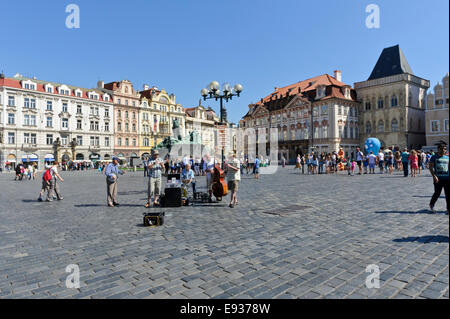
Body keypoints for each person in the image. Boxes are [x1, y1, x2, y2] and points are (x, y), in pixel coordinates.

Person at [429, 143, 449, 214]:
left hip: (447, 179)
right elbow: (430, 167)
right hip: (438, 179)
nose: (444, 150)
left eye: (445, 149)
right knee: (437, 193)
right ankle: (431, 204)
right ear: (438, 149)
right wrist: (434, 176)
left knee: (448, 194)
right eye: (442, 149)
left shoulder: (447, 157)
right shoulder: (434, 157)